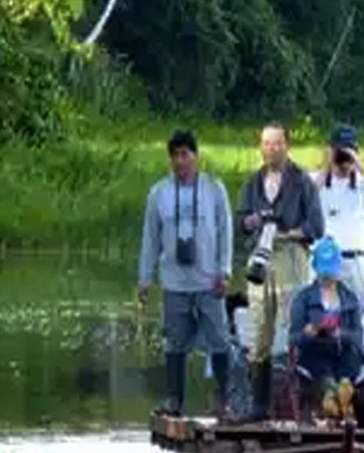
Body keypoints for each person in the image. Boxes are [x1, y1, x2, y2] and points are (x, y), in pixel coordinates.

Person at [137, 129, 233, 417]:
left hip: (208, 280)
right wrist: (144, 278)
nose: (180, 162)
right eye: (174, 156)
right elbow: (150, 238)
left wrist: (224, 272)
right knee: (175, 342)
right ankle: (174, 400)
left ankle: (222, 399)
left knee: (218, 339)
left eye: (184, 154)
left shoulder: (214, 189)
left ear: (195, 156)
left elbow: (225, 233)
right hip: (174, 283)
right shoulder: (159, 193)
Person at [236, 122, 325, 419]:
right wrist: (253, 222)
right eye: (266, 143)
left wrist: (286, 233)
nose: (270, 149)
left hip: (291, 256)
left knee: (295, 328)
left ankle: (304, 404)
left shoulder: (302, 182)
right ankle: (259, 406)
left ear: (287, 145)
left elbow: (317, 227)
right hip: (261, 258)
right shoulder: (253, 183)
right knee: (259, 330)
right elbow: (240, 221)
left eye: (276, 143)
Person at [313, 124, 364, 310]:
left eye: (349, 152)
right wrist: (326, 167)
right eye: (341, 152)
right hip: (322, 260)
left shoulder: (362, 183)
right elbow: (303, 204)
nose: (344, 158)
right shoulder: (317, 180)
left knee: (359, 314)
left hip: (354, 260)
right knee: (319, 313)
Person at [289, 237, 364, 420]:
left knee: (351, 357)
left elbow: (358, 336)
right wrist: (308, 332)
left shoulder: (349, 298)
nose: (328, 277)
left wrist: (341, 334)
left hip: (343, 349)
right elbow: (293, 338)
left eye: (330, 272)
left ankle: (343, 393)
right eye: (324, 273)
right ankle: (332, 395)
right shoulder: (303, 298)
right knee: (318, 361)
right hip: (316, 348)